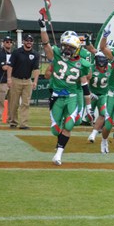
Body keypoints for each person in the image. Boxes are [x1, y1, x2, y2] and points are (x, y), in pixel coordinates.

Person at [39, 19, 91, 165]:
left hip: (72, 96)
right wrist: (43, 29)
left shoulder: (84, 64)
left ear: (77, 48)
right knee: (56, 130)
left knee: (69, 125)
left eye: (70, 47)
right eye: (65, 46)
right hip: (56, 96)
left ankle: (58, 154)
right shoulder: (56, 54)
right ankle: (60, 140)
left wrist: (88, 106)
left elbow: (85, 83)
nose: (67, 49)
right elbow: (46, 45)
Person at [6, 34, 40, 129]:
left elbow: (36, 69)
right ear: (23, 41)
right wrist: (9, 79)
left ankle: (24, 124)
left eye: (31, 40)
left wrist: (35, 81)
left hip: (27, 81)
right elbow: (10, 66)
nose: (29, 42)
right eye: (27, 40)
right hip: (16, 80)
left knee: (26, 103)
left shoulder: (35, 54)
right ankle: (13, 122)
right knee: (14, 103)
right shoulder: (16, 52)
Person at [87, 52, 112, 143]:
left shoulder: (111, 68)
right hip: (92, 94)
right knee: (87, 117)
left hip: (103, 95)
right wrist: (89, 93)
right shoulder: (91, 68)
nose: (101, 62)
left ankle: (93, 134)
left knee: (103, 113)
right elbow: (86, 81)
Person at [0, 36, 13, 123]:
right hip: (3, 81)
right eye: (7, 42)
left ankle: (10, 119)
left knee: (12, 102)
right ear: (3, 43)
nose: (8, 43)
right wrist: (13, 66)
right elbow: (4, 67)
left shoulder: (13, 54)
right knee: (0, 102)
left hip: (12, 81)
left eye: (10, 42)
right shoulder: (1, 54)